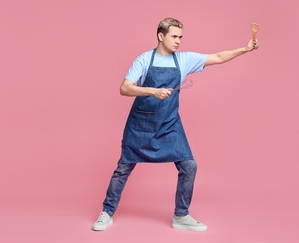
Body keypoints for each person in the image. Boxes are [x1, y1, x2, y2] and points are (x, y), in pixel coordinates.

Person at [92, 17, 259, 232]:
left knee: (189, 166)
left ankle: (181, 215)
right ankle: (106, 212)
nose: (178, 41)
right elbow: (125, 88)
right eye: (174, 36)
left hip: (169, 123)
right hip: (141, 122)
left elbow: (217, 57)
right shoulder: (143, 59)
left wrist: (244, 49)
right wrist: (152, 90)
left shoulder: (184, 60)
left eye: (180, 37)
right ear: (161, 36)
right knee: (123, 167)